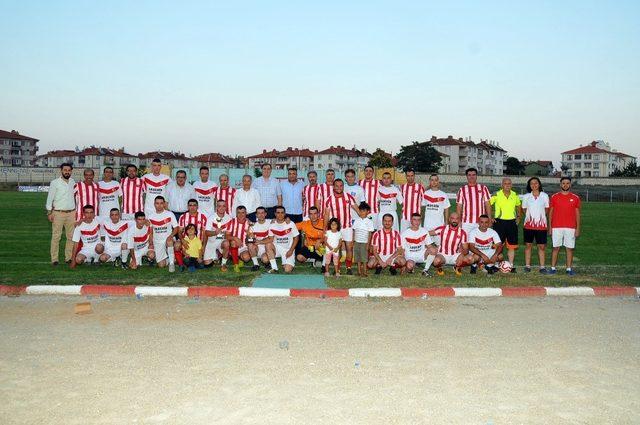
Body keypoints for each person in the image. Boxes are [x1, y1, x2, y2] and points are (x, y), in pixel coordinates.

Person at [324, 179, 357, 275]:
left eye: (341, 185)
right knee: (336, 248)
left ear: (343, 186)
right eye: (337, 186)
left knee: (349, 248)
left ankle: (349, 267)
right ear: (333, 187)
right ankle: (336, 268)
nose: (339, 188)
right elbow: (326, 215)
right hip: (335, 229)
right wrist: (324, 229)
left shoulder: (349, 197)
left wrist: (364, 216)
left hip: (347, 227)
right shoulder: (329, 199)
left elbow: (357, 209)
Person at [549, 177, 581, 275]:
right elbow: (550, 213)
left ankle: (569, 269)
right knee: (556, 248)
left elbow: (577, 214)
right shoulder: (554, 197)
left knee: (569, 248)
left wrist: (578, 228)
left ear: (570, 184)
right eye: (563, 183)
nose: (565, 185)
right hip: (556, 226)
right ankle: (553, 268)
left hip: (570, 227)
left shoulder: (575, 198)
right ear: (560, 184)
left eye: (567, 183)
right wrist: (550, 227)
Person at [46, 163, 76, 265]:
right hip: (58, 213)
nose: (67, 172)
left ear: (71, 171)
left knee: (71, 237)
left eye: (69, 170)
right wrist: (49, 212)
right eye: (65, 170)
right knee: (56, 237)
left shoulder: (73, 182)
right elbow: (50, 198)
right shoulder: (55, 183)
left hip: (72, 213)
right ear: (61, 170)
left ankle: (68, 258)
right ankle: (54, 259)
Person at [490, 177, 522, 273]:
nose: (507, 185)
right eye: (505, 183)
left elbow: (518, 205)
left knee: (511, 246)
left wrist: (519, 216)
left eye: (509, 183)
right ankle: (494, 265)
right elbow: (487, 204)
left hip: (512, 222)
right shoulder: (496, 194)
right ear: (502, 185)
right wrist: (490, 216)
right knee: (498, 245)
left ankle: (510, 266)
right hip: (499, 222)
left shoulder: (514, 194)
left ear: (511, 185)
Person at [429, 212, 473, 276]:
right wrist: (429, 246)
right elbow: (427, 234)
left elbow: (466, 249)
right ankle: (439, 267)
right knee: (436, 261)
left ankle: (457, 266)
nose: (454, 220)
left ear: (459, 220)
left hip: (455, 255)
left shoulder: (462, 233)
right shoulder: (442, 229)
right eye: (452, 218)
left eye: (456, 219)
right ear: (449, 219)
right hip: (442, 255)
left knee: (471, 259)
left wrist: (462, 255)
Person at [522, 177, 550, 274]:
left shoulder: (545, 196)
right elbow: (524, 209)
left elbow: (546, 209)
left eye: (536, 183)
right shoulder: (526, 197)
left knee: (541, 246)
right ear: (529, 186)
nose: (534, 185)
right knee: (528, 245)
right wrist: (531, 217)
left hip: (541, 226)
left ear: (539, 184)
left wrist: (539, 217)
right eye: (531, 184)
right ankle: (527, 266)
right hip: (528, 225)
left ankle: (542, 267)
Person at [147, 195, 179, 272]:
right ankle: (170, 257)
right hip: (157, 242)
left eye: (161, 203)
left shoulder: (169, 214)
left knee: (169, 241)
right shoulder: (150, 216)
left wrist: (171, 236)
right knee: (161, 265)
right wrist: (151, 242)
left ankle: (171, 264)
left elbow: (176, 228)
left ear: (164, 204)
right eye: (157, 203)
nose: (159, 205)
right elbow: (150, 232)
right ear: (154, 204)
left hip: (168, 239)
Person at [456, 167, 492, 235]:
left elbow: (487, 205)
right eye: (469, 175)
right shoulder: (462, 189)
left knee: (480, 242)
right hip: (466, 222)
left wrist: (489, 219)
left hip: (481, 222)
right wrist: (459, 221)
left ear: (476, 176)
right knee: (466, 243)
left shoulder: (483, 188)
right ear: (466, 176)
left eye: (473, 175)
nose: (471, 177)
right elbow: (459, 207)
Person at [225, 206, 260, 272]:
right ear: (236, 213)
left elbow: (253, 238)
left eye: (243, 213)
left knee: (246, 258)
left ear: (246, 213)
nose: (241, 215)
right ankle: (236, 264)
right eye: (239, 213)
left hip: (245, 247)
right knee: (233, 242)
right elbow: (226, 236)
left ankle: (239, 259)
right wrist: (235, 238)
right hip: (234, 246)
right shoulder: (232, 222)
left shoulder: (250, 223)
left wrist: (250, 237)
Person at [267, 206, 299, 273]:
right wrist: (258, 241)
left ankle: (285, 262)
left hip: (288, 249)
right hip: (277, 248)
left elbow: (296, 237)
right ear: (275, 214)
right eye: (278, 213)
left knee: (287, 270)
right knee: (268, 245)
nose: (280, 214)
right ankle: (274, 267)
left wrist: (291, 250)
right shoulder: (272, 224)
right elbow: (270, 239)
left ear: (285, 214)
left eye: (282, 213)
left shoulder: (290, 223)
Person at [422, 174, 450, 245]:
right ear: (429, 182)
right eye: (432, 180)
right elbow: (422, 207)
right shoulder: (425, 194)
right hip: (427, 224)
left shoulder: (443, 194)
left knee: (440, 245)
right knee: (427, 245)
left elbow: (446, 209)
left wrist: (446, 223)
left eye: (436, 180)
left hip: (439, 224)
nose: (434, 182)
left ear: (438, 182)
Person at [202, 200, 232, 267]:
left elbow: (229, 234)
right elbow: (206, 232)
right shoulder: (211, 217)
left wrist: (225, 234)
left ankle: (223, 263)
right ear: (216, 207)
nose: (221, 208)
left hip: (222, 240)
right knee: (207, 264)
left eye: (223, 206)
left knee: (226, 243)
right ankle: (217, 255)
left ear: (226, 207)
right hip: (212, 240)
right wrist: (215, 232)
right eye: (219, 206)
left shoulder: (229, 218)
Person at [352, 202, 374, 277]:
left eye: (364, 211)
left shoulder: (369, 222)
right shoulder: (357, 221)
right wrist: (353, 241)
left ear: (368, 212)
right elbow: (354, 231)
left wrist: (368, 244)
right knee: (358, 258)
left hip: (364, 242)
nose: (362, 212)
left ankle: (365, 272)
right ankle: (358, 271)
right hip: (357, 242)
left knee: (364, 258)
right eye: (360, 211)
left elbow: (370, 234)